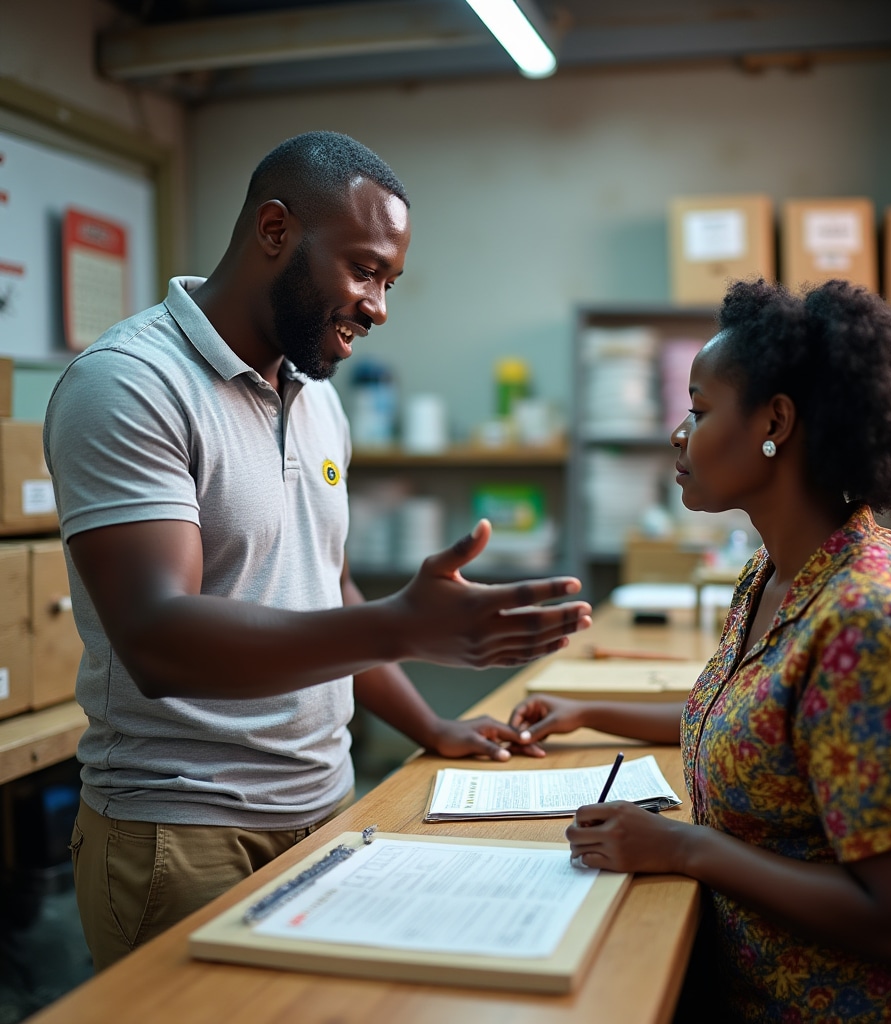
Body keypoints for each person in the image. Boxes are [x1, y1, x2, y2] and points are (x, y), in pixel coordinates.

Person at [43, 130, 590, 971]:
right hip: (183, 833)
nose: (378, 306)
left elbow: (326, 595)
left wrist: (433, 725)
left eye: (390, 281)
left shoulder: (314, 394)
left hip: (325, 808)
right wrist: (401, 627)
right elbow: (158, 642)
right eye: (365, 270)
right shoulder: (130, 383)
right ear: (274, 231)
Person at [510, 279, 891, 1023]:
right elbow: (748, 720)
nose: (679, 434)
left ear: (775, 421)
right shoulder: (777, 571)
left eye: (699, 409)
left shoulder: (868, 623)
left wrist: (684, 849)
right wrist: (583, 707)